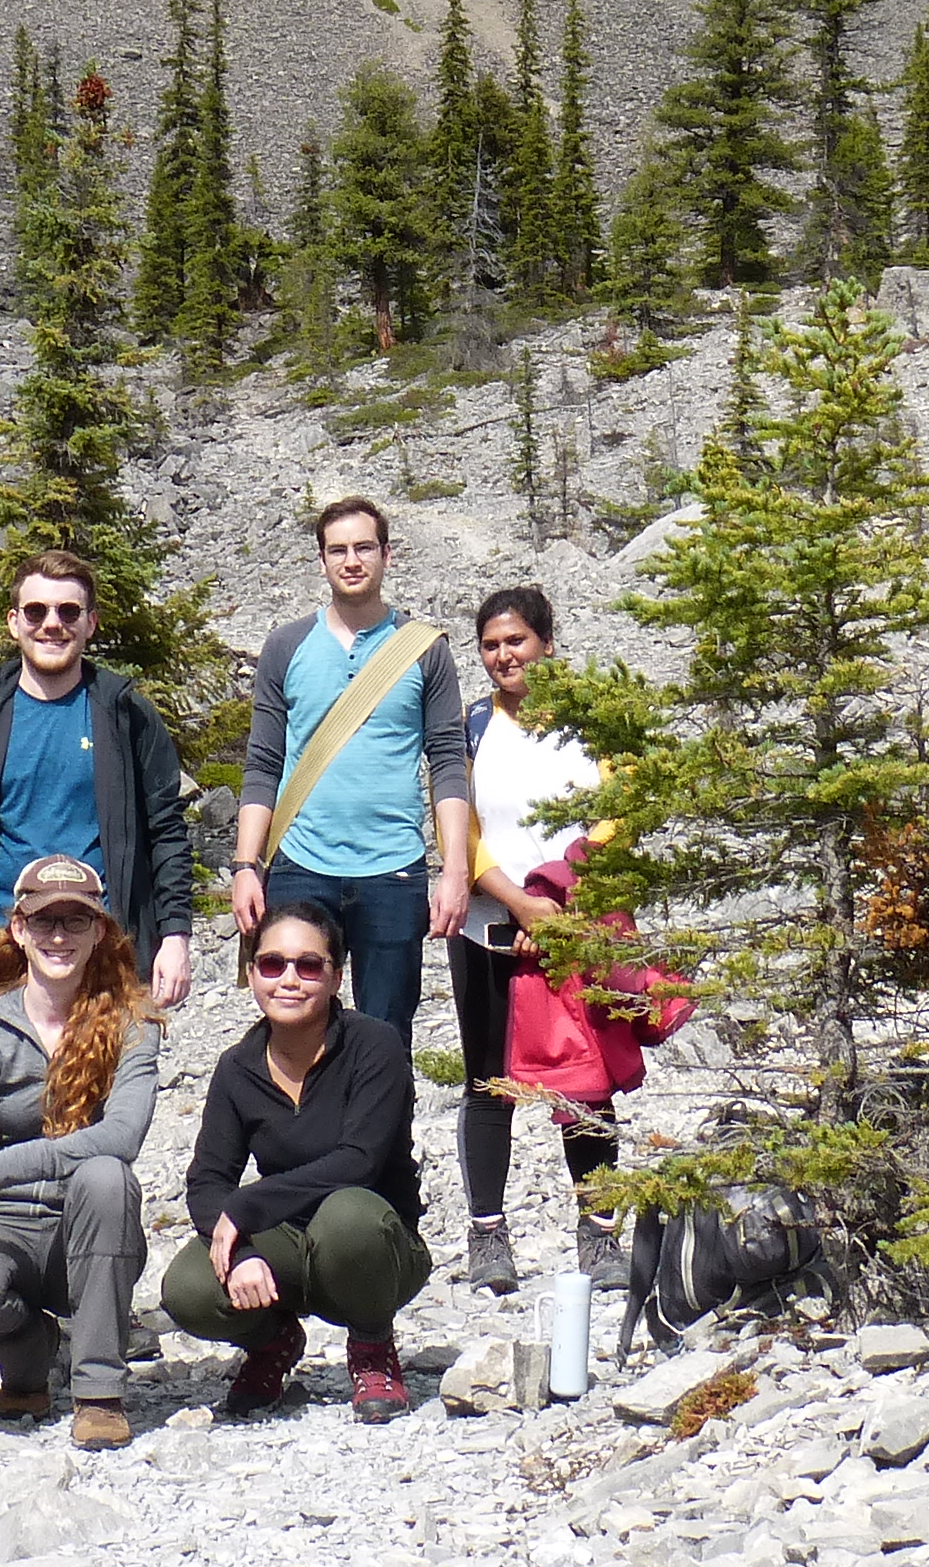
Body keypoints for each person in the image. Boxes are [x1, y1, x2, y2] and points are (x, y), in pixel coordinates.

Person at [0, 855, 160, 1450]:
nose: (59, 937)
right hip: (6, 1228)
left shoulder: (133, 1026)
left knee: (105, 1174)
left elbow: (122, 1137)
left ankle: (99, 1392)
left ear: (100, 931)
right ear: (18, 929)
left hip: (95, 1233)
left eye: (76, 921)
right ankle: (28, 1355)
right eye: (44, 921)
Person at [166, 897, 432, 1422]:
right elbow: (208, 1180)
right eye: (272, 964)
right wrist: (240, 1249)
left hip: (375, 1243)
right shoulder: (237, 1068)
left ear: (336, 977)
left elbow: (359, 1160)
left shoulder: (375, 1047)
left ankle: (373, 1345)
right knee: (189, 1288)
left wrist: (248, 1206)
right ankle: (272, 1342)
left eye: (309, 965)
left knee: (348, 1214)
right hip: (285, 1241)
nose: (289, 979)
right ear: (251, 973)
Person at [0, 548, 198, 1020]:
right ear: (13, 621)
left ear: (91, 623)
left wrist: (174, 936)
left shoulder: (126, 716)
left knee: (104, 1089)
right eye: (36, 611)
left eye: (68, 611)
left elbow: (167, 834)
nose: (52, 624)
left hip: (104, 947)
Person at [230, 498, 473, 1036]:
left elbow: (448, 763)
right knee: (294, 1027)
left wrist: (454, 869)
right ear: (321, 561)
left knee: (386, 1035)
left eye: (364, 547)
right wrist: (247, 865)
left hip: (394, 869)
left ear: (387, 555)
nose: (352, 560)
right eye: (337, 550)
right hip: (299, 865)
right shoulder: (285, 646)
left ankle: (380, 1124)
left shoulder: (424, 650)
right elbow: (263, 764)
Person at [450, 584, 624, 1296]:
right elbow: (457, 827)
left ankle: (601, 1231)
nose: (503, 656)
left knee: (587, 1082)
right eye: (491, 645)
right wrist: (521, 904)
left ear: (547, 643)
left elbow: (620, 816)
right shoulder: (468, 728)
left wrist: (558, 902)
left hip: (577, 921)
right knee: (489, 1081)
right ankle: (488, 1233)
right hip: (490, 923)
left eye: (515, 641)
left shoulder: (596, 722)